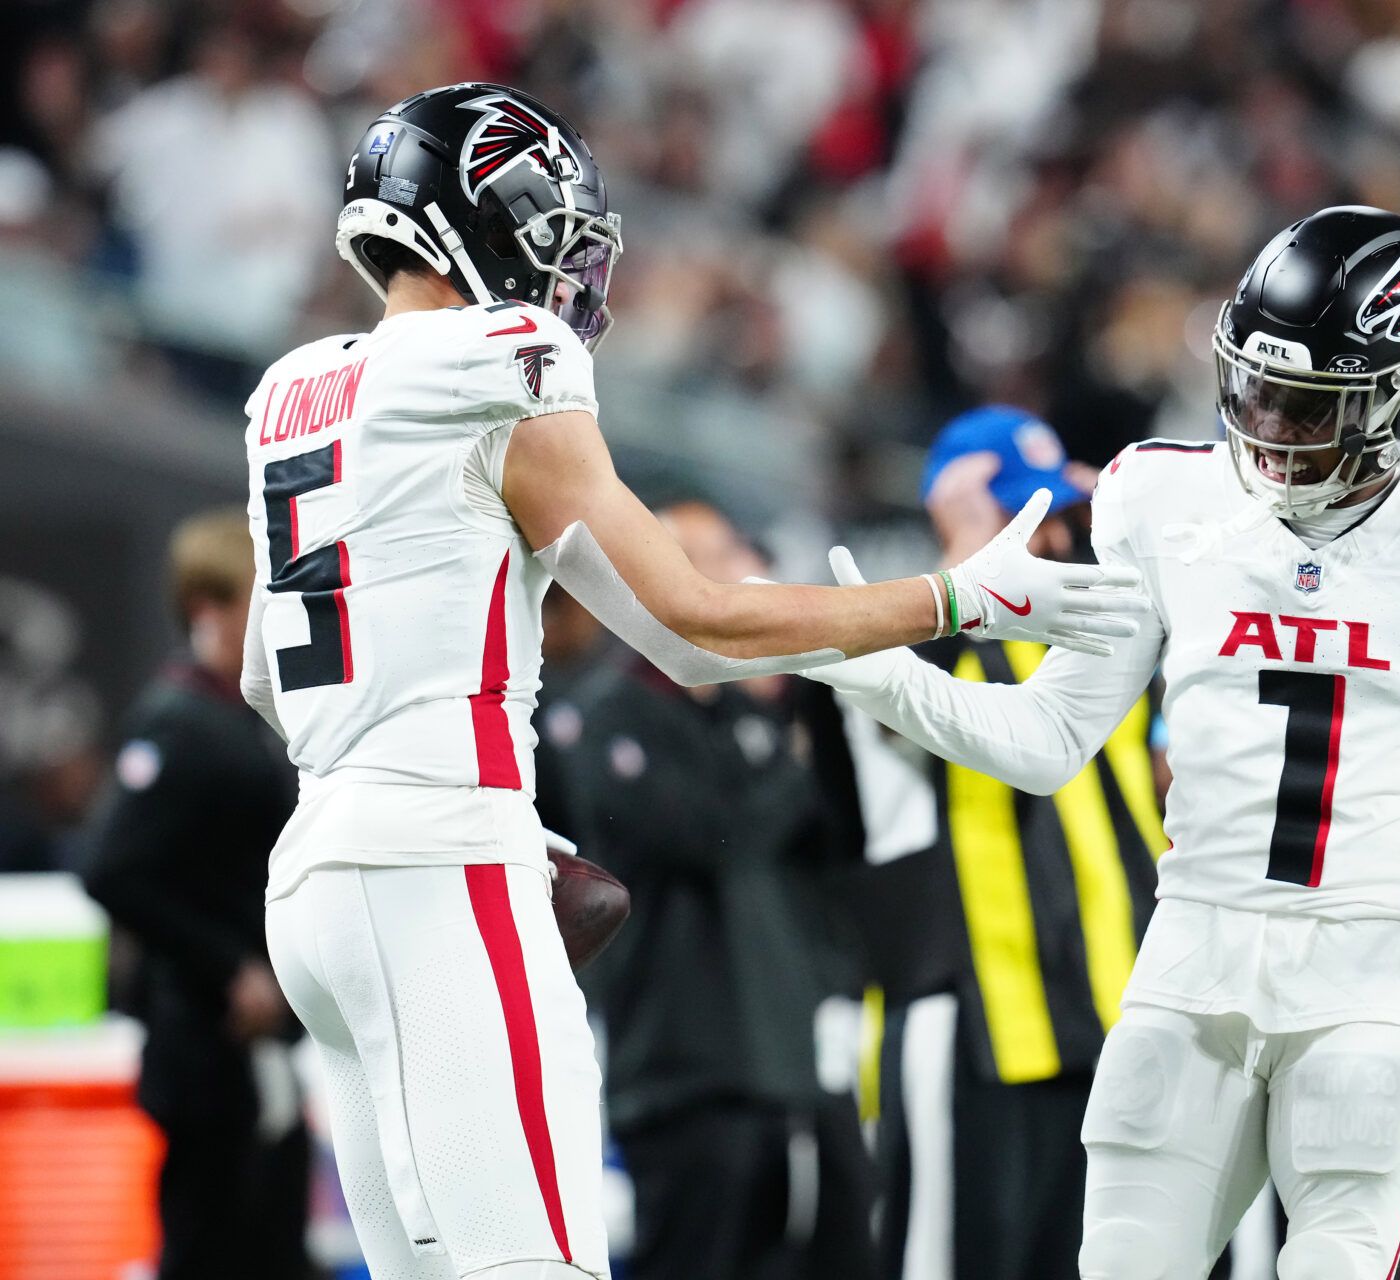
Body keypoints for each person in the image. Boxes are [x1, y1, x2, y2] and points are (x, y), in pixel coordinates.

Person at [242, 83, 1146, 1280]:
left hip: (313, 878)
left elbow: (267, 672)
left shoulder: (292, 393)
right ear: (477, 212)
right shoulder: (504, 354)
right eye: (546, 229)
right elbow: (698, 625)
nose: (563, 272)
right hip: (439, 854)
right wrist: (957, 598)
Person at [806, 206, 1400, 1279]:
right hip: (1191, 954)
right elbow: (1047, 739)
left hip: (1362, 977)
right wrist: (880, 668)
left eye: (1307, 403)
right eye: (1256, 389)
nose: (1268, 424)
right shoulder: (1169, 498)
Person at [851, 408, 1174, 1280]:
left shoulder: (1114, 636)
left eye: (1063, 513)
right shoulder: (901, 643)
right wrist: (959, 567)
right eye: (1028, 517)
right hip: (973, 1025)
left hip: (1113, 1011)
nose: (1060, 536)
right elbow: (890, 721)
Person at [563, 498, 878, 1280]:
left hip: (782, 1064)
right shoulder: (604, 715)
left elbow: (835, 842)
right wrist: (786, 768)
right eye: (712, 558)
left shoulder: (752, 712)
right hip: (680, 1072)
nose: (742, 573)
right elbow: (706, 837)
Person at [81, 510, 312, 1280]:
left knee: (269, 1243)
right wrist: (228, 967)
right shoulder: (180, 723)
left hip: (253, 1049)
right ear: (210, 608)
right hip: (205, 1043)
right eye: (260, 599)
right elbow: (114, 867)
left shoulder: (241, 719)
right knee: (213, 1247)